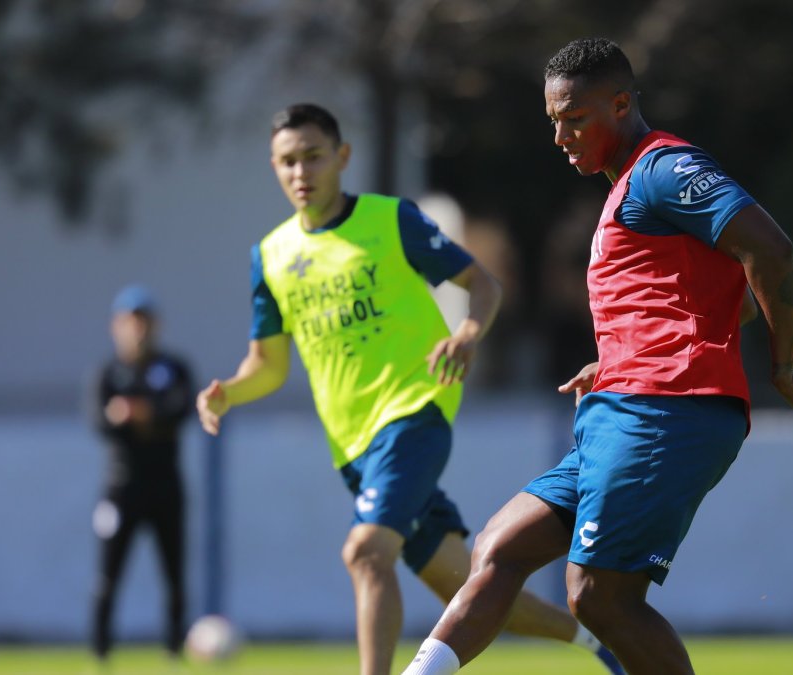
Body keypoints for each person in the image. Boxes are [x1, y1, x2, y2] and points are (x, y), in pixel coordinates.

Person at [401, 37, 793, 675]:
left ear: (621, 103)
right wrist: (617, 360)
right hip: (624, 404)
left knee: (600, 597)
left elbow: (771, 252)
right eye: (553, 121)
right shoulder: (625, 189)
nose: (561, 137)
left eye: (574, 119)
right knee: (500, 547)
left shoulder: (665, 168)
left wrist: (782, 365)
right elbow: (720, 302)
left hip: (668, 412)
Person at [195, 103, 623, 675]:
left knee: (365, 552)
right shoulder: (270, 257)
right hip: (353, 449)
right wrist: (229, 393)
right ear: (274, 167)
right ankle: (600, 645)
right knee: (467, 591)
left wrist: (469, 332)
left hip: (413, 413)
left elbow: (483, 285)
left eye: (313, 156)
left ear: (342, 157)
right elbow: (268, 365)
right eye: (287, 161)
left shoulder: (390, 220)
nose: (302, 172)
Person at [90, 285, 194, 661]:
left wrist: (140, 413)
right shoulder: (108, 373)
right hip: (121, 487)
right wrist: (139, 416)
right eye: (130, 321)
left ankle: (174, 650)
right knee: (108, 575)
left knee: (175, 575)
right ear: (116, 326)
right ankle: (101, 653)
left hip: (166, 485)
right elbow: (101, 422)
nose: (138, 329)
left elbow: (179, 410)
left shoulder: (173, 368)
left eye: (144, 321)